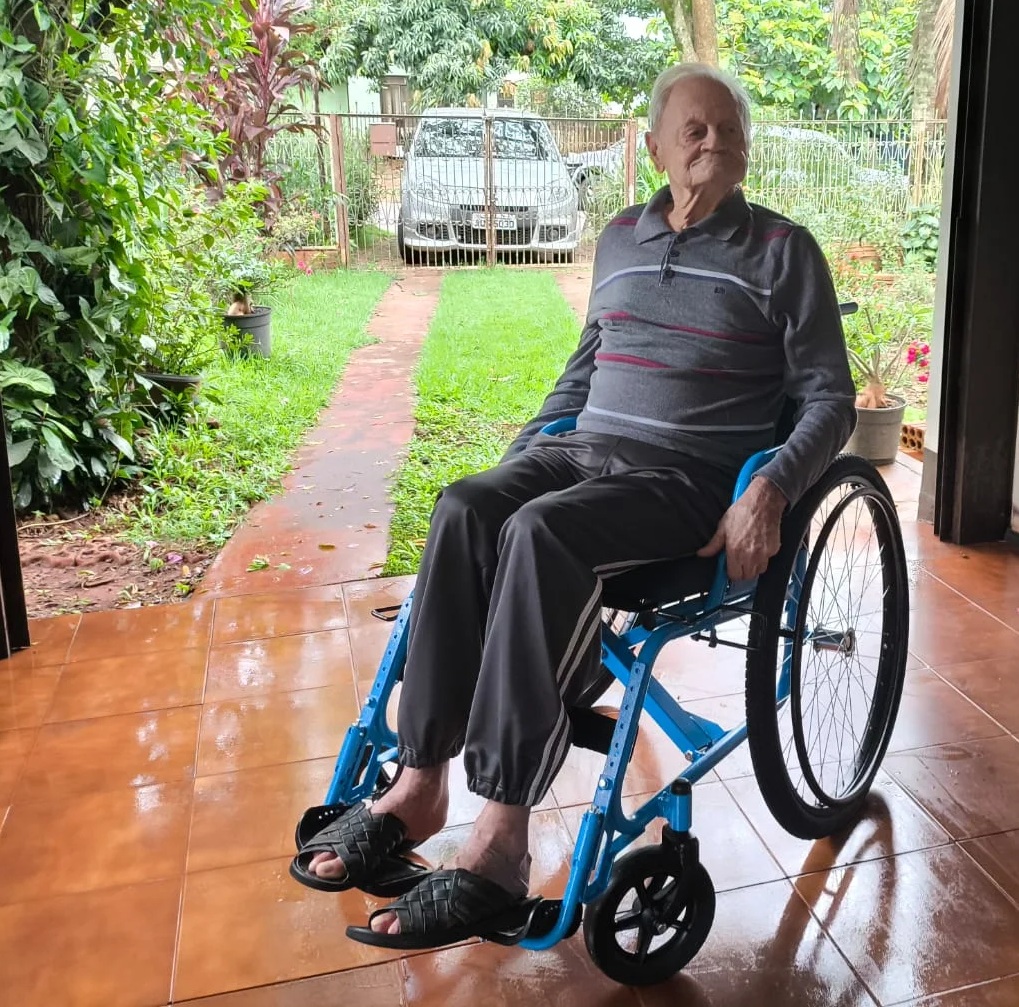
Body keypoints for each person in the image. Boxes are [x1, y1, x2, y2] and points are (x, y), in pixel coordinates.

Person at [295, 63, 855, 950]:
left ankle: (500, 839)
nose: (715, 141)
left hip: (684, 477)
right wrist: (526, 453)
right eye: (696, 128)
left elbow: (831, 398)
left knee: (539, 531)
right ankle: (419, 781)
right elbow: (588, 363)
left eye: (730, 127)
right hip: (584, 449)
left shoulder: (784, 251)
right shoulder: (621, 236)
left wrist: (771, 486)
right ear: (659, 146)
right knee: (467, 505)